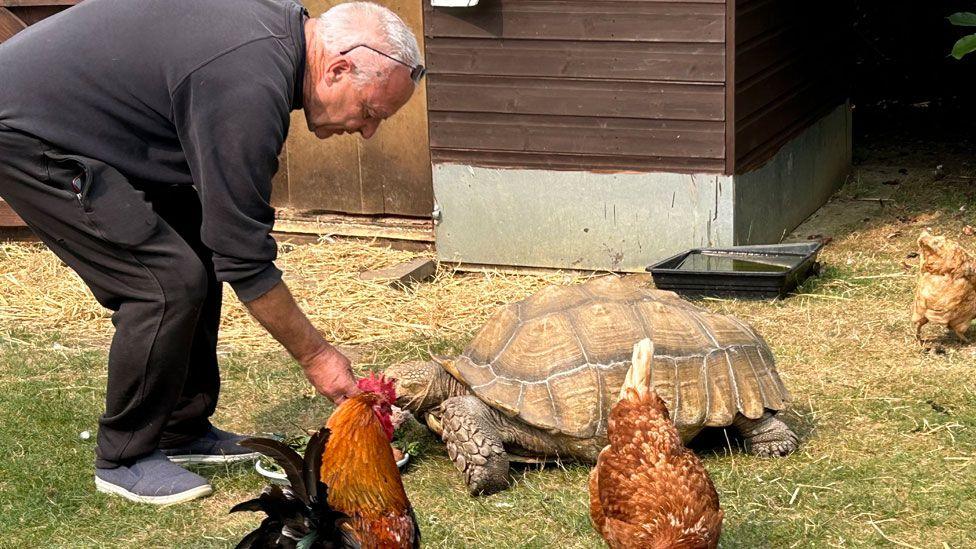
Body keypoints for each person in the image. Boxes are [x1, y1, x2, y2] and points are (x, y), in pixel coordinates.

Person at [0, 0, 424, 504]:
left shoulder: (275, 44)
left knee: (195, 250)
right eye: (371, 112)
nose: (367, 130)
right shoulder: (248, 83)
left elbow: (224, 235)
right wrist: (318, 356)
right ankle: (124, 457)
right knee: (163, 283)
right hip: (27, 131)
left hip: (98, 128)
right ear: (336, 68)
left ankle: (182, 429)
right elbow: (244, 256)